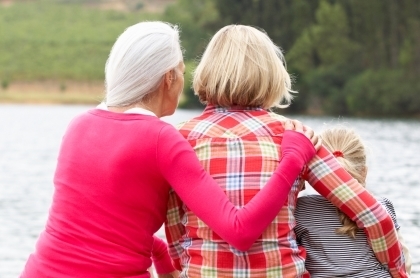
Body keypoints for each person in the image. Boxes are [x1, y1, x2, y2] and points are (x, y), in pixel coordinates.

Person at [19, 21, 319, 278]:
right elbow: (239, 230)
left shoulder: (79, 125)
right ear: (169, 78)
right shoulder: (161, 138)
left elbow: (107, 229)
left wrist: (164, 264)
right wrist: (293, 158)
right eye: (182, 74)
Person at [164, 24, 408, 278]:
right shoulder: (294, 135)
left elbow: (175, 231)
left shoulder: (179, 139)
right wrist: (397, 270)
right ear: (271, 73)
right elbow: (375, 218)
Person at [294, 127, 412, 277]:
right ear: (364, 172)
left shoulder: (301, 210)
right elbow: (404, 263)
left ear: (315, 174)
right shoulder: (382, 206)